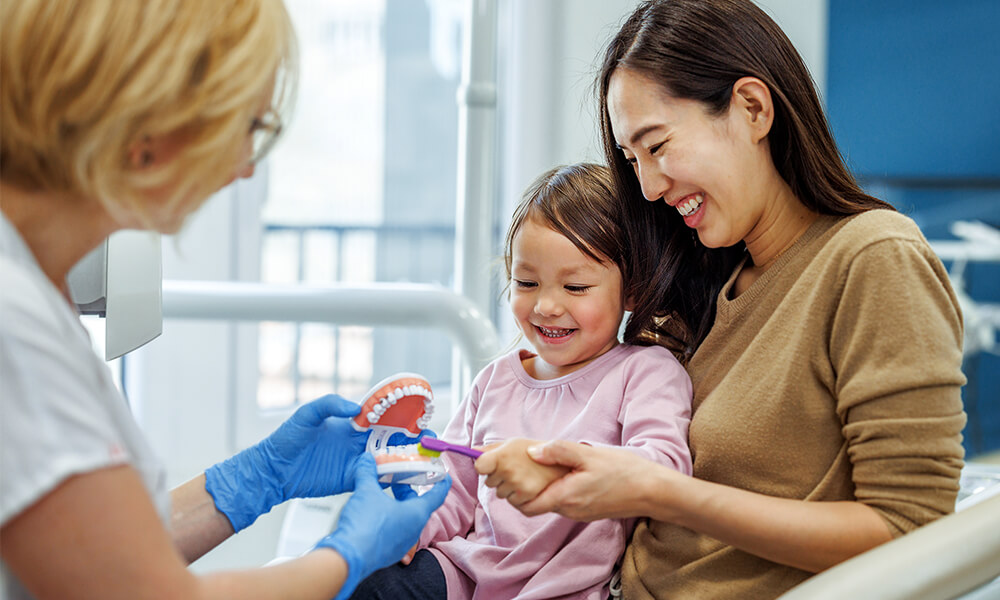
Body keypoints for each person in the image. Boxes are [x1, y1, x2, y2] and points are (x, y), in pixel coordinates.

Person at [475, 1, 967, 598]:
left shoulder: (871, 258)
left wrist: (658, 491)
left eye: (657, 147)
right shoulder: (711, 278)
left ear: (753, 109)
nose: (650, 189)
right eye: (633, 162)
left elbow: (914, 531)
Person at [0, 2, 449, 599]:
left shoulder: (31, 290)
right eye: (248, 128)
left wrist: (259, 477)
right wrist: (347, 557)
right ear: (148, 123)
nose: (242, 169)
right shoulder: (13, 323)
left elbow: (98, 552)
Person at [349, 163, 693, 600]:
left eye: (575, 286)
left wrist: (552, 464)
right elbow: (452, 486)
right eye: (527, 282)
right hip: (466, 573)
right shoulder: (495, 379)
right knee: (367, 583)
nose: (546, 306)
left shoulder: (646, 372)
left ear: (633, 291)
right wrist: (411, 526)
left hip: (563, 589)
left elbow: (665, 468)